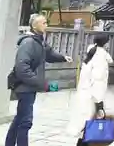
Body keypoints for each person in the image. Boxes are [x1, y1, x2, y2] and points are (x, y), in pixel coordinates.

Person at [5, 14, 72, 146]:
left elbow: (49, 53)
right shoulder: (28, 43)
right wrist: (39, 82)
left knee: (20, 119)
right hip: (25, 87)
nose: (46, 25)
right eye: (43, 23)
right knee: (26, 121)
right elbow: (22, 68)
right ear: (34, 26)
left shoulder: (39, 41)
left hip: (30, 86)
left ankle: (9, 143)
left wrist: (63, 57)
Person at [67, 36, 113, 145]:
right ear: (104, 44)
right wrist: (99, 104)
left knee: (83, 122)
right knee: (90, 122)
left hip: (84, 92)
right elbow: (98, 78)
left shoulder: (91, 53)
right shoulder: (100, 57)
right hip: (93, 95)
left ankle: (82, 141)